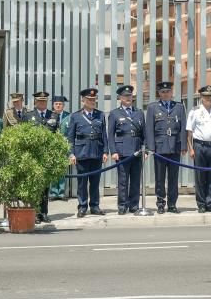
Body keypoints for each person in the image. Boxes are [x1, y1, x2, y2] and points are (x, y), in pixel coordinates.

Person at [144, 81, 186, 213]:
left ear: (171, 92)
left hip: (174, 146)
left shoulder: (179, 107)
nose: (165, 94)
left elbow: (183, 128)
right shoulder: (153, 107)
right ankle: (161, 203)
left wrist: (183, 145)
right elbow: (149, 129)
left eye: (167, 91)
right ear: (159, 93)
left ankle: (172, 203)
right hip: (159, 147)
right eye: (163, 92)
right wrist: (151, 147)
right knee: (160, 177)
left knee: (173, 177)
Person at [66, 87, 108, 217]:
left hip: (96, 152)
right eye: (89, 99)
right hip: (82, 153)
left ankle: (95, 206)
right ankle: (82, 206)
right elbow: (70, 137)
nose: (92, 101)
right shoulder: (75, 116)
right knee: (82, 183)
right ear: (83, 100)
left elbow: (104, 135)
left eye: (93, 99)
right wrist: (71, 153)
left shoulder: (100, 114)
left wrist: (105, 151)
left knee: (95, 182)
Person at [186, 85, 211, 213]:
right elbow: (189, 132)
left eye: (210, 96)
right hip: (200, 146)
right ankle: (201, 203)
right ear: (201, 97)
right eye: (205, 96)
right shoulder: (195, 111)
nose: (208, 98)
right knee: (200, 176)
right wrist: (191, 149)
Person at [107, 85, 145, 215]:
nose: (128, 98)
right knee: (123, 181)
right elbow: (110, 135)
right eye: (125, 96)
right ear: (120, 98)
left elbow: (143, 133)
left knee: (135, 180)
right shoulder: (114, 113)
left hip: (137, 150)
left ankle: (134, 204)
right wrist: (113, 151)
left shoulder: (139, 112)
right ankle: (122, 205)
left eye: (130, 96)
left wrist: (145, 149)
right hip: (122, 152)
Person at [24, 91, 61, 222]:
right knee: (34, 185)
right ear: (35, 102)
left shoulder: (54, 115)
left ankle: (44, 212)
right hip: (33, 156)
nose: (42, 103)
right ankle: (34, 213)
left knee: (45, 186)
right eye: (40, 101)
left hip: (47, 156)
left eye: (44, 101)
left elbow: (57, 136)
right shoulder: (28, 116)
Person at [48, 95, 69, 201]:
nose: (58, 106)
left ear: (63, 105)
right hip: (52, 147)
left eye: (60, 104)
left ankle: (61, 193)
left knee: (62, 170)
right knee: (52, 169)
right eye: (56, 104)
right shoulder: (49, 115)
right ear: (53, 105)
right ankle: (52, 193)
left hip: (64, 147)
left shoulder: (68, 116)